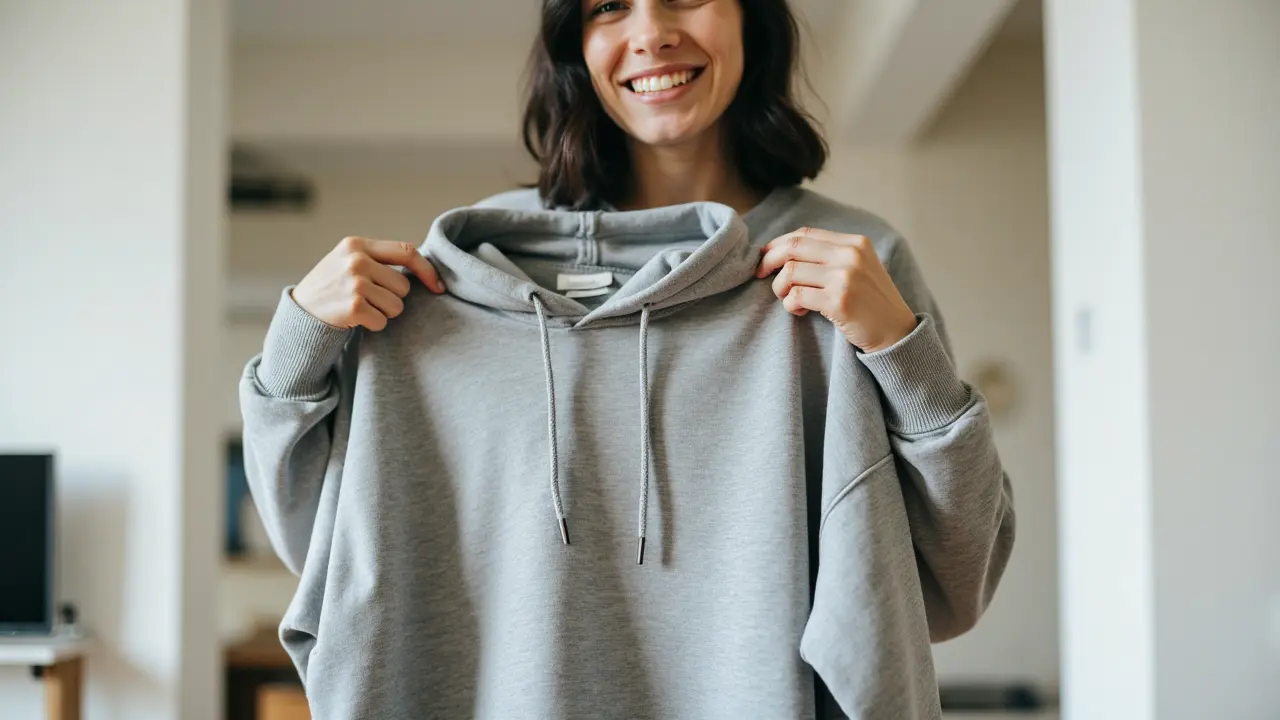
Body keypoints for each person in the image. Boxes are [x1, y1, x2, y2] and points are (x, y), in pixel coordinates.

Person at [242, 1, 1015, 717]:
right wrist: (297, 348)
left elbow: (955, 586)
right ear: (576, 44)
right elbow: (330, 561)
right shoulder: (451, 288)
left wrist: (900, 351)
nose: (651, 32)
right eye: (609, 5)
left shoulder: (851, 264)